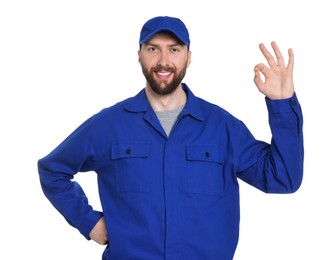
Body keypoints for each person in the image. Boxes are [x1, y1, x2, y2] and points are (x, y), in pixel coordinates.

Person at [38, 16, 304, 259]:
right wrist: (89, 222)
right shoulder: (109, 126)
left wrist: (281, 103)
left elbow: (283, 178)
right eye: (153, 49)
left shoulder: (222, 127)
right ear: (139, 56)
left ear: (188, 57)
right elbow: (53, 170)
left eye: (174, 49)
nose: (163, 60)